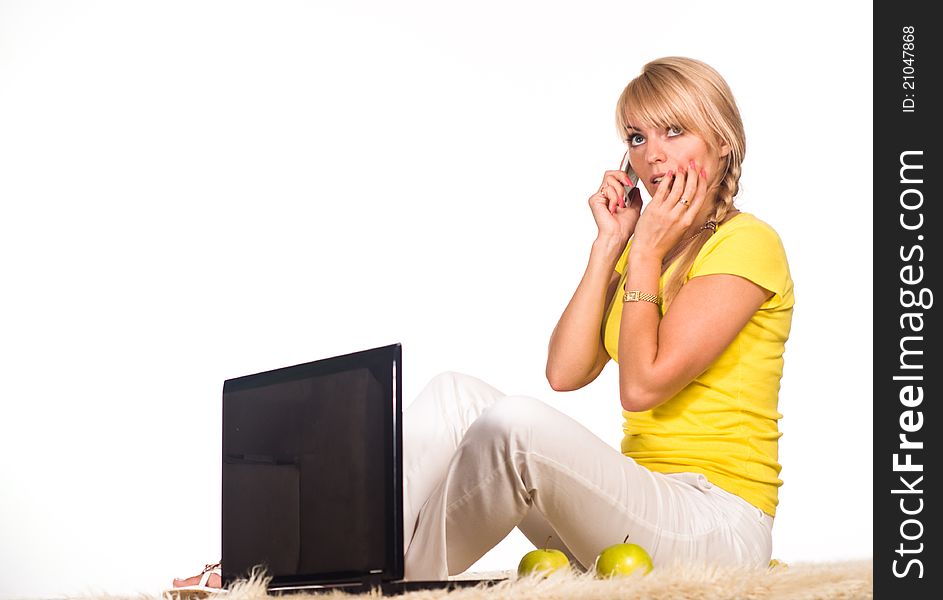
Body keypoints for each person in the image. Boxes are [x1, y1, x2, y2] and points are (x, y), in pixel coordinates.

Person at [171, 55, 794, 588]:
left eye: (674, 132)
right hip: (635, 509)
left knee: (513, 428)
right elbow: (565, 371)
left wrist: (648, 253)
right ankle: (279, 565)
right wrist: (611, 245)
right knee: (456, 394)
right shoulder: (642, 247)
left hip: (717, 527)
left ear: (723, 139)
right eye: (636, 138)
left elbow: (642, 386)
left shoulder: (747, 243)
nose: (653, 157)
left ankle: (345, 584)